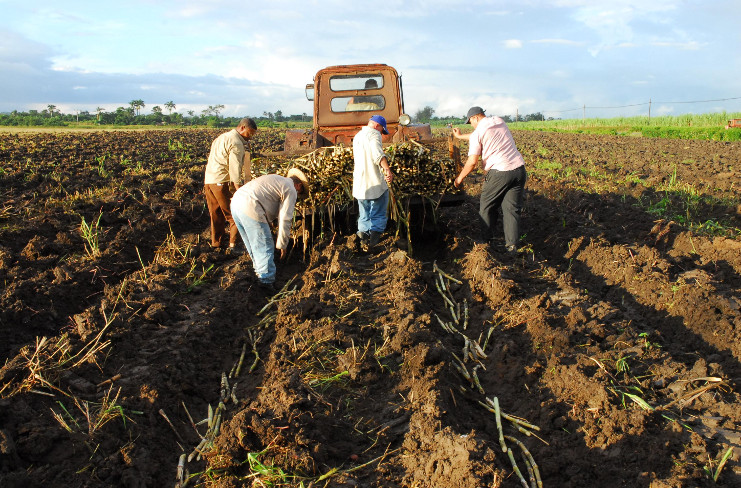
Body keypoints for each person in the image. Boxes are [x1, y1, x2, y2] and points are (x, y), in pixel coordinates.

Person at [453, 107, 527, 253]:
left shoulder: (477, 134)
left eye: (470, 122)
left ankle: (486, 240)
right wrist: (461, 137)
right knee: (511, 209)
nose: (472, 126)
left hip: (499, 173)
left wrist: (459, 178)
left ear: (474, 118)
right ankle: (512, 246)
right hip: (519, 170)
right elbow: (479, 134)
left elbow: (472, 162)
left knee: (486, 207)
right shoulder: (499, 121)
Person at [230, 168, 309, 291]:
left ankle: (259, 273)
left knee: (253, 245)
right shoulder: (291, 189)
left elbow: (265, 198)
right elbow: (285, 218)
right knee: (264, 244)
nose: (297, 194)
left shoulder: (276, 179)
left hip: (236, 202)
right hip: (250, 205)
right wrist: (282, 244)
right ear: (298, 185)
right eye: (300, 192)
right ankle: (266, 282)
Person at [203, 118, 257, 253]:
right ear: (243, 128)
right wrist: (238, 188)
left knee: (216, 214)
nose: (250, 137)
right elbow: (235, 167)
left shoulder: (221, 138)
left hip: (209, 181)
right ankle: (234, 245)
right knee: (235, 214)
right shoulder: (236, 143)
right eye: (250, 134)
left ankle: (216, 243)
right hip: (222, 181)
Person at [352, 115, 394, 248]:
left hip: (360, 183)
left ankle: (363, 239)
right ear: (377, 126)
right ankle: (374, 241)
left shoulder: (358, 135)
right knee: (379, 210)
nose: (381, 132)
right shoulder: (374, 134)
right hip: (374, 180)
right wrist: (387, 169)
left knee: (364, 212)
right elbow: (378, 155)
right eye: (382, 129)